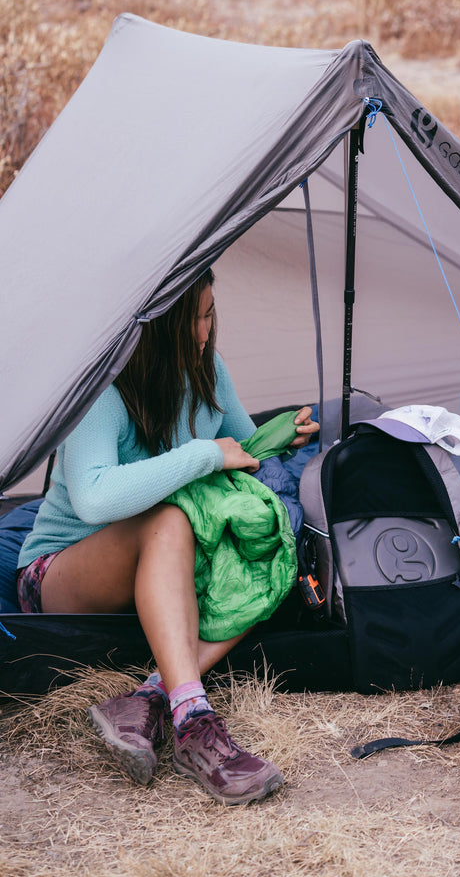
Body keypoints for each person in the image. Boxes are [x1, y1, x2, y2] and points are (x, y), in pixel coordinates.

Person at [15, 269, 318, 805]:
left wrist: (279, 439)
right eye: (196, 319)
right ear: (160, 327)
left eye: (210, 314)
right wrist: (204, 454)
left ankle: (152, 697)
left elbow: (241, 448)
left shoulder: (206, 370)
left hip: (165, 562)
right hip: (65, 573)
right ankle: (196, 723)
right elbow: (94, 498)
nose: (207, 332)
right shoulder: (103, 390)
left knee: (268, 542)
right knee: (171, 517)